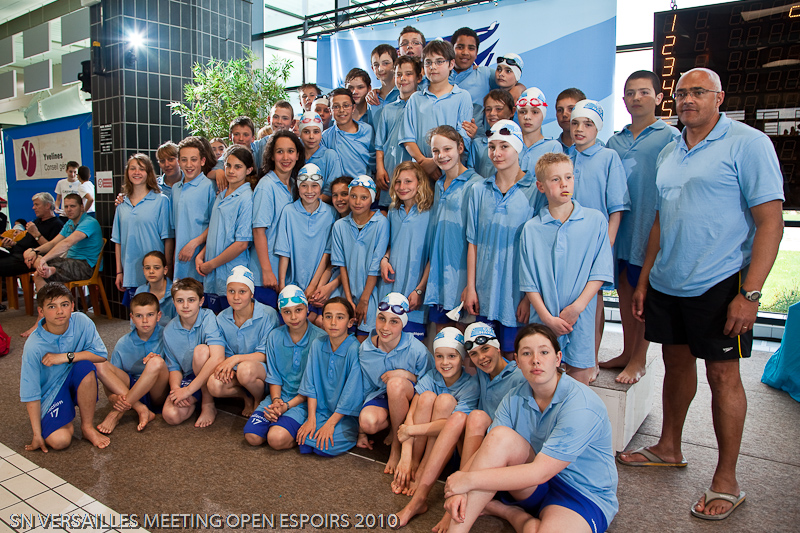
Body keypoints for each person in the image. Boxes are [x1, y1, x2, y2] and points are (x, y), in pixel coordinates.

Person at [618, 68, 784, 521]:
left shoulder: (748, 144)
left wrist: (750, 293)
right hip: (668, 280)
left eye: (698, 92)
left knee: (723, 376)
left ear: (719, 98)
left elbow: (771, 223)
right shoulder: (671, 150)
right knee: (675, 363)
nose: (687, 99)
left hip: (720, 281)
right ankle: (669, 447)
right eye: (681, 93)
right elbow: (660, 220)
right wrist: (645, 279)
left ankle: (726, 481)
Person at [442, 324, 619, 533]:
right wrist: (459, 491)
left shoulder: (581, 405)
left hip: (581, 493)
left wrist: (467, 481)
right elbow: (489, 450)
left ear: (557, 358)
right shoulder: (513, 397)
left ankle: (510, 513)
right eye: (527, 353)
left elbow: (540, 472)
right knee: (499, 436)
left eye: (544, 352)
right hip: (533, 484)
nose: (536, 360)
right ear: (517, 361)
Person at [396, 322, 526, 530]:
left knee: (476, 417)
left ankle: (456, 501)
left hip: (502, 454)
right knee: (459, 418)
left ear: (498, 346)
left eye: (485, 349)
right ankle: (418, 499)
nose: (481, 357)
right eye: (474, 354)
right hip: (476, 444)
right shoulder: (482, 373)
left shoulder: (518, 377)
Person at [601, 70, 680, 384]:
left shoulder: (671, 137)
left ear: (658, 97)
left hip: (649, 227)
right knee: (623, 290)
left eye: (644, 92)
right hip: (620, 228)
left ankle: (639, 358)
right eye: (631, 93)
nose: (637, 98)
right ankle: (626, 351)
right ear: (624, 99)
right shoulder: (614, 140)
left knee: (642, 295)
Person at [519, 153, 614, 385]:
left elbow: (600, 272)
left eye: (569, 177)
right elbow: (529, 282)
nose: (564, 184)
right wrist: (547, 318)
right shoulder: (531, 229)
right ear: (541, 186)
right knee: (542, 381)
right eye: (556, 179)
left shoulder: (595, 221)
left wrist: (577, 308)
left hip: (580, 317)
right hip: (544, 318)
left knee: (580, 381)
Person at [568, 99, 629, 375]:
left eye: (587, 124)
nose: (580, 129)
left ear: (598, 128)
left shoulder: (608, 158)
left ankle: (590, 358)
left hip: (595, 244)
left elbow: (616, 208)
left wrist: (607, 244)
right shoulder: (566, 157)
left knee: (594, 300)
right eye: (575, 123)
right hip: (567, 242)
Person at [465, 120, 536, 355]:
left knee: (515, 356)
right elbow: (473, 243)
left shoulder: (534, 190)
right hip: (485, 291)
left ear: (518, 148)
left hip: (517, 292)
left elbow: (538, 251)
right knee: (485, 355)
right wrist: (471, 288)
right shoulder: (478, 190)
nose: (496, 153)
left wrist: (529, 298)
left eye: (504, 146)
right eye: (492, 147)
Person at [20, 282, 110, 451]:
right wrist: (36, 434)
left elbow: (101, 355)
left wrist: (64, 357)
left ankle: (87, 427)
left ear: (72, 306)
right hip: (51, 392)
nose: (60, 311)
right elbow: (30, 392)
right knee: (60, 441)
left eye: (64, 304)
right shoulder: (33, 346)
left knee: (85, 366)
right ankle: (63, 414)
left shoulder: (82, 321)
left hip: (73, 376)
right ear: (41, 311)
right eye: (52, 306)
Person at [392, 327, 479, 495]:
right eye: (439, 356)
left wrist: (411, 430)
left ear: (462, 358)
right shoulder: (432, 376)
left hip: (450, 447)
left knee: (445, 401)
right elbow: (411, 415)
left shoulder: (470, 385)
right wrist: (406, 456)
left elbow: (453, 426)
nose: (445, 362)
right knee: (425, 397)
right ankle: (415, 461)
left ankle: (425, 466)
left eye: (452, 356)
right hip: (420, 441)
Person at [358, 292, 433, 475]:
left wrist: (406, 375)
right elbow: (364, 387)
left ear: (403, 324)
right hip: (382, 396)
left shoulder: (417, 350)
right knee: (368, 422)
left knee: (395, 384)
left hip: (410, 398)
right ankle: (394, 424)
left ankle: (396, 448)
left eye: (394, 322)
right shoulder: (365, 349)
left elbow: (430, 384)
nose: (385, 327)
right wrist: (360, 431)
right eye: (381, 319)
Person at [242, 285, 326, 447]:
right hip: (281, 397)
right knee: (252, 437)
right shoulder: (275, 336)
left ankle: (293, 433)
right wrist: (276, 401)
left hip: (305, 402)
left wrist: (287, 406)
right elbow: (274, 376)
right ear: (281, 313)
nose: (293, 317)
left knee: (276, 439)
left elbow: (314, 386)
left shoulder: (320, 339)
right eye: (287, 312)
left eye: (298, 310)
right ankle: (282, 424)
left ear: (307, 309)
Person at [424, 126, 483, 333]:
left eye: (447, 149)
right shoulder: (438, 185)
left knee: (466, 340)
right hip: (440, 280)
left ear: (460, 148)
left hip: (463, 280)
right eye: (436, 151)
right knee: (443, 341)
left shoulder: (476, 185)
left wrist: (470, 285)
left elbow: (476, 241)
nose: (441, 155)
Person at [292, 296, 365, 457]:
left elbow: (351, 394)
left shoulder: (354, 349)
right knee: (304, 442)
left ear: (350, 322)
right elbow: (310, 384)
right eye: (328, 316)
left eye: (340, 317)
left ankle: (344, 433)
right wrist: (311, 419)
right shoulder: (317, 344)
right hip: (320, 411)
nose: (333, 322)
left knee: (323, 446)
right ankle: (317, 425)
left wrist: (330, 424)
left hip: (344, 416)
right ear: (322, 320)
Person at [208, 266, 279, 417]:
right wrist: (229, 365)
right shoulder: (221, 318)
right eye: (231, 291)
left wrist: (235, 359)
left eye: (242, 292)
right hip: (235, 369)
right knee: (213, 385)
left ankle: (258, 398)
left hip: (259, 371)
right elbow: (223, 352)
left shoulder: (268, 315)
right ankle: (245, 397)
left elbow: (265, 355)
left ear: (252, 293)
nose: (236, 297)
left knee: (245, 370)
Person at [95, 292, 169, 434]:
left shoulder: (167, 335)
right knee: (99, 364)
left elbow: (177, 370)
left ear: (158, 316)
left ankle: (116, 414)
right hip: (132, 390)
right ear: (132, 318)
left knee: (156, 362)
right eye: (139, 316)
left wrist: (157, 360)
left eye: (150, 315)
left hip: (158, 392)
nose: (145, 320)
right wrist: (112, 397)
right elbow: (110, 380)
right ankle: (140, 408)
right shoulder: (123, 343)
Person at [400, 40, 473, 179]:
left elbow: (462, 137)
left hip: (452, 170)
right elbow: (407, 138)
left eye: (439, 62)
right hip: (421, 170)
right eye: (428, 62)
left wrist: (435, 161)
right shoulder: (415, 99)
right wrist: (424, 162)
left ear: (451, 64)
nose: (433, 67)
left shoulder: (462, 96)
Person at [250, 130, 305, 308]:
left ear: (298, 155)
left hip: (285, 274)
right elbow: (258, 231)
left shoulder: (295, 186)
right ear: (272, 156)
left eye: (290, 151)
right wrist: (267, 270)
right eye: (280, 151)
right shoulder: (267, 186)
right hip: (266, 276)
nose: (285, 157)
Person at [196, 145, 254, 313]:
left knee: (230, 319)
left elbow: (241, 244)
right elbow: (216, 232)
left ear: (248, 170)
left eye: (238, 167)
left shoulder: (246, 199)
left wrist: (211, 264)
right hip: (211, 271)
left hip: (229, 271)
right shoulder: (221, 194)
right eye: (228, 165)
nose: (231, 171)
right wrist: (201, 255)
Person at [330, 175, 389, 340]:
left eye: (364, 197)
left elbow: (375, 265)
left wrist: (364, 299)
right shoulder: (339, 226)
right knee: (343, 341)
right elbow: (341, 265)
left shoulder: (381, 223)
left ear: (372, 199)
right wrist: (348, 299)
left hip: (371, 294)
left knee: (364, 342)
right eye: (353, 196)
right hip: (348, 291)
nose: (357, 202)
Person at [162, 277, 226, 428]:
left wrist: (188, 391)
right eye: (180, 301)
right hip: (189, 378)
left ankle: (208, 403)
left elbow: (218, 358)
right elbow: (174, 367)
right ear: (173, 302)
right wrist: (177, 390)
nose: (185, 306)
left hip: (210, 374)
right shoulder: (169, 331)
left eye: (191, 300)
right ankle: (196, 398)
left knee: (201, 351)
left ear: (201, 301)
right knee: (171, 415)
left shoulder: (208, 317)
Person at [379, 162, 433, 340]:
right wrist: (385, 259)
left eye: (408, 181)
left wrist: (419, 290)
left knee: (411, 345)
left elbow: (433, 257)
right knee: (387, 341)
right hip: (391, 286)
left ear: (420, 183)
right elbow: (393, 244)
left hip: (414, 293)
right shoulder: (393, 211)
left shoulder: (431, 213)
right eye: (398, 182)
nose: (402, 187)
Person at [275, 163, 336, 322]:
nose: (309, 191)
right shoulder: (288, 212)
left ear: (321, 187)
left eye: (314, 185)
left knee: (316, 323)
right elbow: (284, 252)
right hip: (294, 284)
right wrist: (282, 285)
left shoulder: (331, 213)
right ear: (298, 187)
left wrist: (314, 286)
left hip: (318, 285)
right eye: (304, 186)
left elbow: (327, 254)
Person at [112, 154, 173, 306]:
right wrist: (119, 272)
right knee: (136, 314)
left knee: (157, 314)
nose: (136, 172)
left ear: (149, 173)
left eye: (141, 169)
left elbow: (168, 239)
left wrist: (167, 269)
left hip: (154, 272)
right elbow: (118, 241)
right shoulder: (121, 204)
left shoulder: (161, 201)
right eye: (132, 168)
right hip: (130, 272)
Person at [22, 193, 103, 292]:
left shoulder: (89, 222)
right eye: (66, 206)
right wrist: (34, 251)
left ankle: (49, 274)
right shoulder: (70, 223)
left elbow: (67, 243)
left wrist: (44, 259)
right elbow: (53, 243)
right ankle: (47, 270)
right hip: (69, 261)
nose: (69, 209)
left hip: (87, 266)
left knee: (38, 275)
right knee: (31, 255)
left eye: (72, 206)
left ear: (81, 207)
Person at [374, 55, 421, 207]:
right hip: (391, 170)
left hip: (415, 171)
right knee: (392, 208)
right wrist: (380, 169)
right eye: (399, 74)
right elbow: (380, 145)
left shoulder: (423, 107)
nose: (403, 78)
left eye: (408, 74)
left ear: (419, 78)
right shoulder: (387, 110)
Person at [172, 136, 218, 282]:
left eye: (193, 159)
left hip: (200, 258)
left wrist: (194, 244)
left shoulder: (210, 187)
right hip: (180, 260)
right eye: (184, 160)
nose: (189, 164)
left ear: (202, 161)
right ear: (178, 162)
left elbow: (216, 224)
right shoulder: (175, 189)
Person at [0, 193, 62, 277]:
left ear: (47, 205)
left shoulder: (56, 224)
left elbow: (52, 249)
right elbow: (27, 241)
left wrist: (36, 234)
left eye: (37, 205)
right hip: (16, 252)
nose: (33, 208)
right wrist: (12, 244)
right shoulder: (37, 221)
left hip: (28, 258)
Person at [449, 27, 497, 133]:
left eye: (471, 48)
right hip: (444, 140)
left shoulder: (485, 74)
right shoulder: (440, 76)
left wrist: (518, 89)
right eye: (460, 47)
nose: (465, 52)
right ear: (451, 50)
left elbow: (512, 84)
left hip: (476, 140)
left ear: (476, 53)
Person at [320, 88, 374, 178]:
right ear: (330, 111)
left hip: (364, 184)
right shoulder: (325, 137)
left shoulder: (367, 130)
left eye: (346, 105)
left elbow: (375, 162)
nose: (341, 110)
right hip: (338, 185)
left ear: (353, 108)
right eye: (336, 107)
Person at [466, 89, 516, 179]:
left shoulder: (517, 144)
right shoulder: (477, 144)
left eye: (498, 109)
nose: (492, 113)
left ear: (512, 111)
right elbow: (470, 173)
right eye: (488, 109)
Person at [298, 111, 344, 201]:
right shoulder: (295, 155)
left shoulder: (330, 156)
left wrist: (310, 203)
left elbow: (332, 190)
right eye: (306, 132)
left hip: (322, 206)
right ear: (300, 134)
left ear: (321, 134)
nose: (311, 136)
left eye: (316, 132)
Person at [516, 87, 563, 174]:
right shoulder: (511, 144)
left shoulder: (552, 147)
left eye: (535, 112)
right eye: (522, 112)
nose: (527, 117)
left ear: (543, 115)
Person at [133, 251, 175, 327]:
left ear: (165, 270)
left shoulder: (175, 292)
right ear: (143, 270)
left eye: (156, 268)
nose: (151, 271)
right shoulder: (140, 291)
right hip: (146, 332)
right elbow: (135, 323)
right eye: (147, 268)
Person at [367, 44, 399, 127]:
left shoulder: (404, 94)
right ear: (372, 68)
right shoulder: (372, 99)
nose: (380, 69)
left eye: (385, 63)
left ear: (395, 64)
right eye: (376, 65)